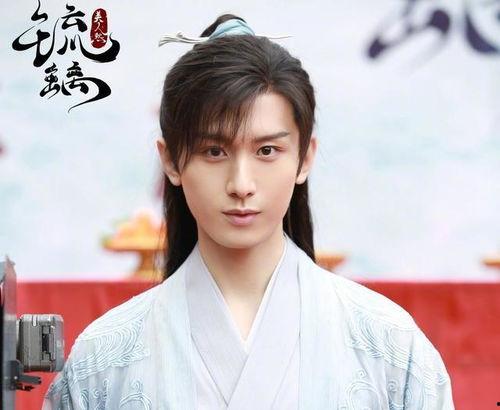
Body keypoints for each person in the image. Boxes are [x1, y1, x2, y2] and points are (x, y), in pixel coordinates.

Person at [43, 14, 454, 409]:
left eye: (267, 150)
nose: (241, 184)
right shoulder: (102, 361)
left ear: (305, 158)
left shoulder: (391, 347)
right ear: (170, 161)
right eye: (214, 151)